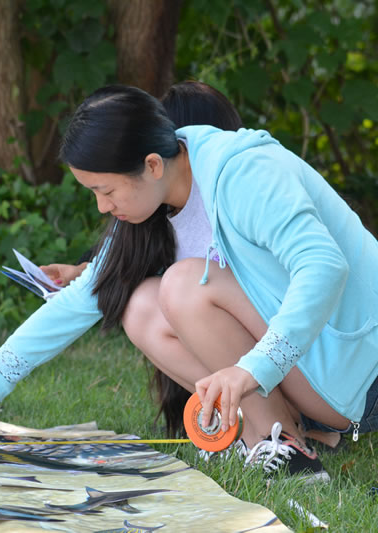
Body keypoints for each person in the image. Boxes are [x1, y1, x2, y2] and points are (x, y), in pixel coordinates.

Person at [0, 85, 378, 483]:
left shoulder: (243, 171)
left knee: (183, 285)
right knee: (138, 305)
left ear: (152, 165)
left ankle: (279, 441)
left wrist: (252, 370)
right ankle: (279, 437)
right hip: (309, 366)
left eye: (106, 190)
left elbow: (324, 268)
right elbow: (82, 300)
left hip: (377, 370)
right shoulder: (153, 202)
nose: (102, 206)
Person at [39, 81, 244, 438]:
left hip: (264, 361)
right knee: (152, 299)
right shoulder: (148, 206)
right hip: (215, 369)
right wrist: (85, 271)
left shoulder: (233, 196)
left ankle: (263, 422)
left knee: (182, 287)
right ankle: (224, 422)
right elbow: (124, 265)